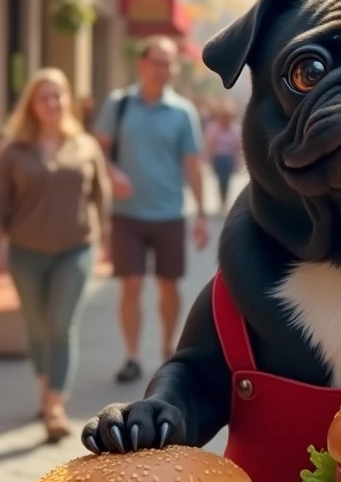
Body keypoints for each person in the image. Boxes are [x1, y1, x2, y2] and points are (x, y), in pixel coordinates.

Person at [0, 69, 110, 441]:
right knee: (37, 328)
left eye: (59, 95)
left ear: (68, 101)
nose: (53, 103)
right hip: (25, 251)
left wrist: (104, 239)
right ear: (31, 104)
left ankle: (54, 406)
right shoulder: (13, 150)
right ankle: (46, 385)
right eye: (44, 96)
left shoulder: (83, 144)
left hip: (76, 248)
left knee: (61, 326)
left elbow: (100, 194)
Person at [94, 36, 208, 384]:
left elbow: (192, 165)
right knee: (130, 284)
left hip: (169, 213)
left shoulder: (183, 112)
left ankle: (166, 351)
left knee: (168, 286)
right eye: (157, 61)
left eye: (169, 63)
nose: (164, 69)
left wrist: (201, 214)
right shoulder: (120, 104)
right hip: (127, 214)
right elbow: (97, 151)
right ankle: (131, 355)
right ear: (141, 64)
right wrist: (112, 174)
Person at [205, 102, 242, 213]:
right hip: (218, 158)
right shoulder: (213, 128)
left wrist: (238, 162)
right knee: (220, 181)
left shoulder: (235, 129)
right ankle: (221, 201)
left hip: (229, 159)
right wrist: (209, 158)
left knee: (227, 181)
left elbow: (237, 147)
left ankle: (224, 202)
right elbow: (210, 144)